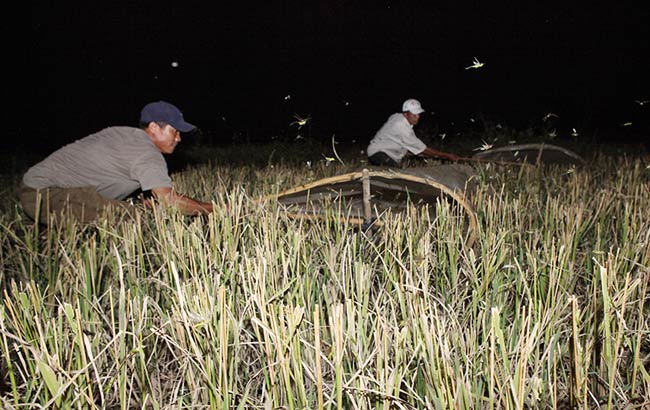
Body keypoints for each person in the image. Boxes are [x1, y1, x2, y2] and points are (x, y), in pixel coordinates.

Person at [20, 101, 214, 224]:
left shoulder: (123, 134)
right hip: (47, 196)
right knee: (138, 219)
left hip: (36, 192)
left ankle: (50, 229)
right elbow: (170, 202)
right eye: (175, 131)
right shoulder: (147, 153)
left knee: (134, 209)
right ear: (154, 127)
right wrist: (213, 209)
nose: (179, 138)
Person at [367, 98, 461, 167]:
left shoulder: (396, 116)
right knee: (397, 176)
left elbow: (396, 140)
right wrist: (447, 155)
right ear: (405, 114)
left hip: (383, 151)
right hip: (378, 153)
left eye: (418, 114)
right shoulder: (402, 127)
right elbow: (424, 149)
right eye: (414, 114)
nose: (417, 117)